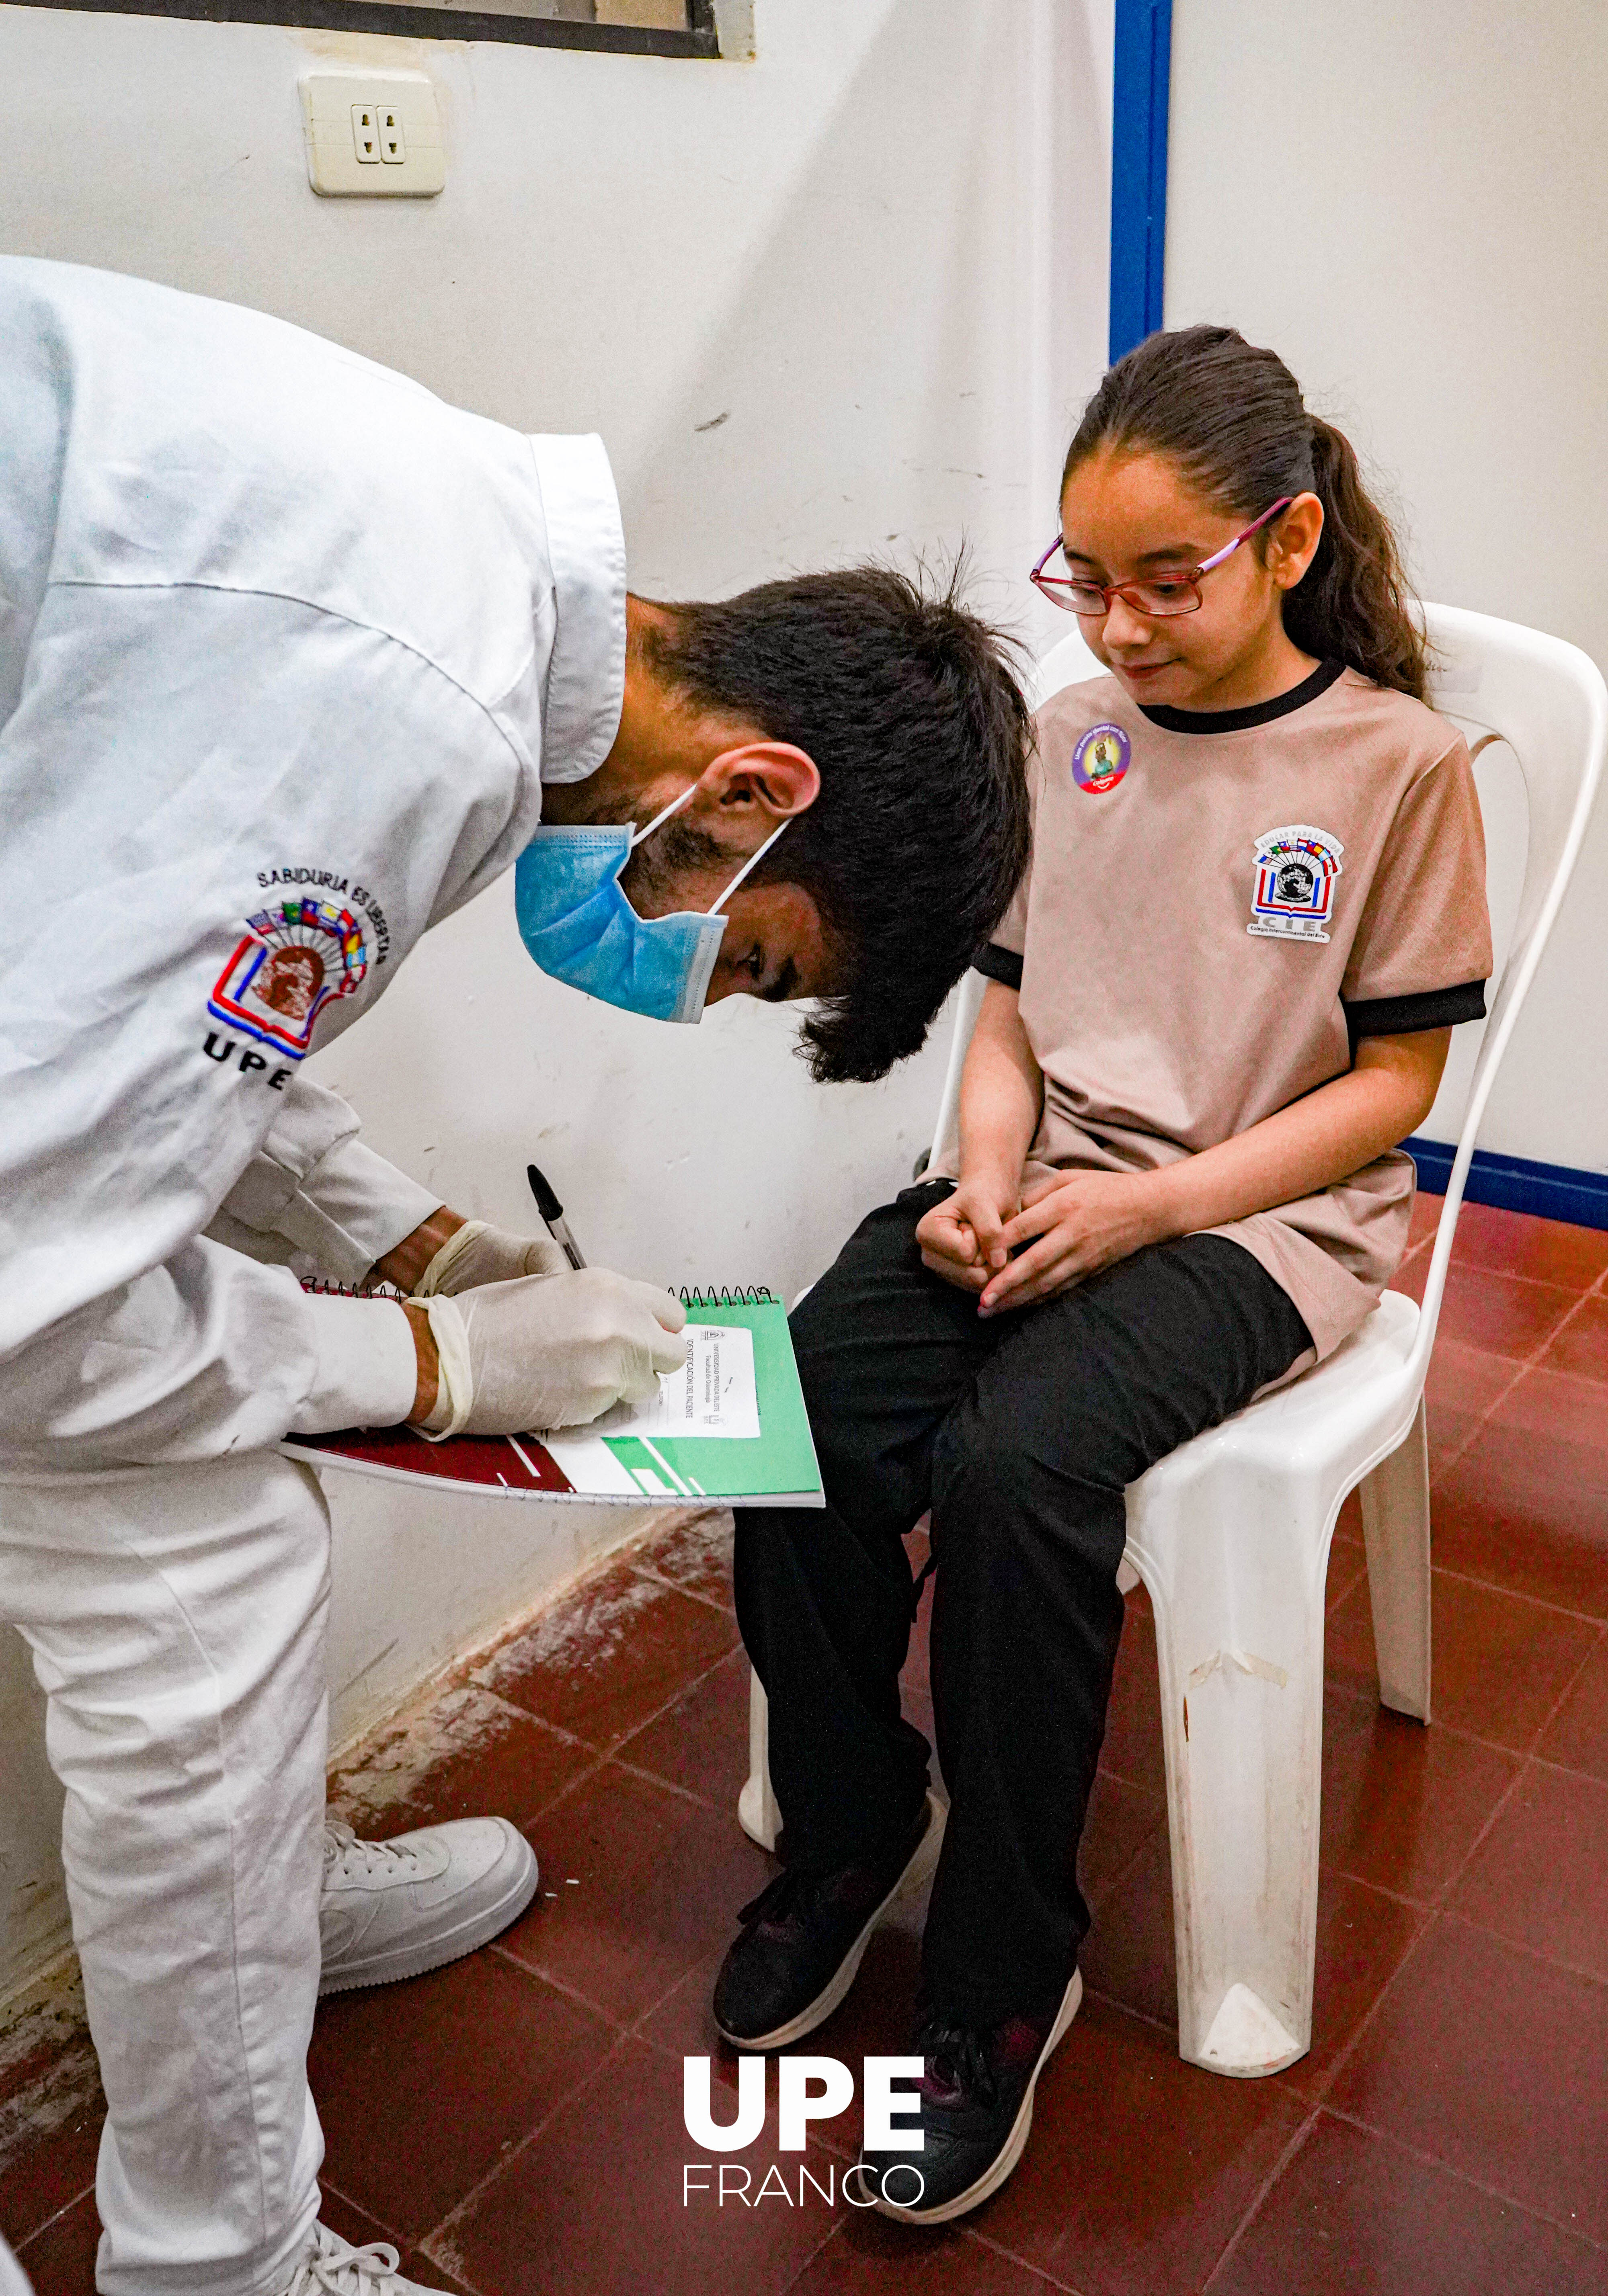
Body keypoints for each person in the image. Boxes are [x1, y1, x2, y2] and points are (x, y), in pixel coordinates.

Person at [0, 256, 1033, 2296]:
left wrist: (404, 1239)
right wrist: (442, 1356)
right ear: (750, 793)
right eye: (750, 955)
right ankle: (220, 2264)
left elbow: (134, 1037)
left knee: (196, 1529)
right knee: (190, 1547)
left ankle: (254, 1911)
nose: (693, 985)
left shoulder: (452, 580)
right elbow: (33, 1304)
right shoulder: (399, 700)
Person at [716, 324, 1494, 2223]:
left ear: (1288, 540)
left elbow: (1394, 1083)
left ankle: (999, 1982)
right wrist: (984, 1178)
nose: (1122, 628)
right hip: (1047, 1178)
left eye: (1170, 581)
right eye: (1091, 580)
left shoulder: (1395, 766)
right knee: (781, 1410)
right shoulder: (1071, 729)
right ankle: (847, 1825)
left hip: (1259, 1223)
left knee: (1014, 1472)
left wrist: (1153, 1210)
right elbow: (1005, 1003)